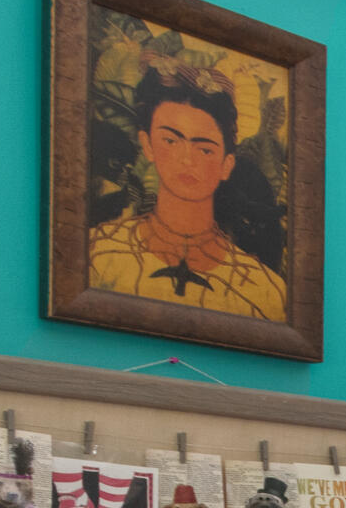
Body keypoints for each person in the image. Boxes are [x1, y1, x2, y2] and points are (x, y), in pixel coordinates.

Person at [88, 65, 289, 320]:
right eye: (171, 141)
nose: (186, 160)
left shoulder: (265, 289)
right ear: (148, 144)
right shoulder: (98, 253)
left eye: (204, 149)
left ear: (226, 165)